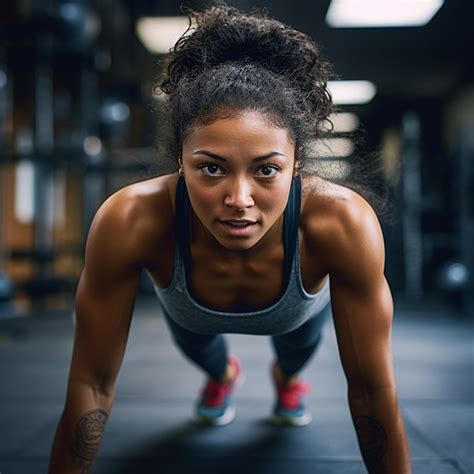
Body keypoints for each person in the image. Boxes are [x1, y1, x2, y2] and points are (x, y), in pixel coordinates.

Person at [48, 3, 412, 473]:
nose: (239, 199)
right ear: (180, 159)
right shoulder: (132, 218)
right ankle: (224, 375)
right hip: (193, 317)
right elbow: (91, 383)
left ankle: (286, 379)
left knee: (295, 355)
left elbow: (371, 389)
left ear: (295, 162)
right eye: (211, 168)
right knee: (205, 354)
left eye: (266, 169)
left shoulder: (340, 222)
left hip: (295, 317)